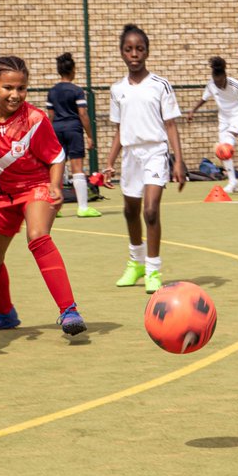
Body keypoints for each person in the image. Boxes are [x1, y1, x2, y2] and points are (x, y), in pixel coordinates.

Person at [0, 55, 87, 336]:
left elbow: (56, 156)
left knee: (38, 235)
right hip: (3, 191)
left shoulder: (35, 119)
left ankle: (69, 311)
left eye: (22, 88)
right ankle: (5, 315)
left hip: (36, 186)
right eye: (8, 88)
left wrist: (55, 186)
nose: (16, 95)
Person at [103, 25, 185, 295]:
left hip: (155, 152)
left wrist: (178, 161)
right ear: (122, 53)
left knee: (150, 210)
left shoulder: (160, 85)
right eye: (129, 49)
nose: (134, 54)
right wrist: (109, 162)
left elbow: (171, 125)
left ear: (147, 52)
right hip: (130, 155)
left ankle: (153, 269)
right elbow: (118, 130)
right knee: (130, 211)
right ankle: (135, 263)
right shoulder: (117, 90)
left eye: (139, 48)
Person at [46, 52, 101, 218]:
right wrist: (90, 136)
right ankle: (83, 208)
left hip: (56, 130)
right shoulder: (77, 90)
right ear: (73, 71)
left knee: (58, 169)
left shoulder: (52, 91)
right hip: (73, 129)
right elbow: (83, 114)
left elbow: (50, 116)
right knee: (77, 168)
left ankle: (56, 208)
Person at [186, 56, 238, 194]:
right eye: (216, 82)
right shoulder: (211, 85)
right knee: (223, 152)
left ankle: (232, 182)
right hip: (223, 118)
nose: (219, 85)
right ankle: (233, 181)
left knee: (227, 145)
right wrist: (192, 111)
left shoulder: (235, 84)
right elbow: (204, 99)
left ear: (225, 77)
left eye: (221, 82)